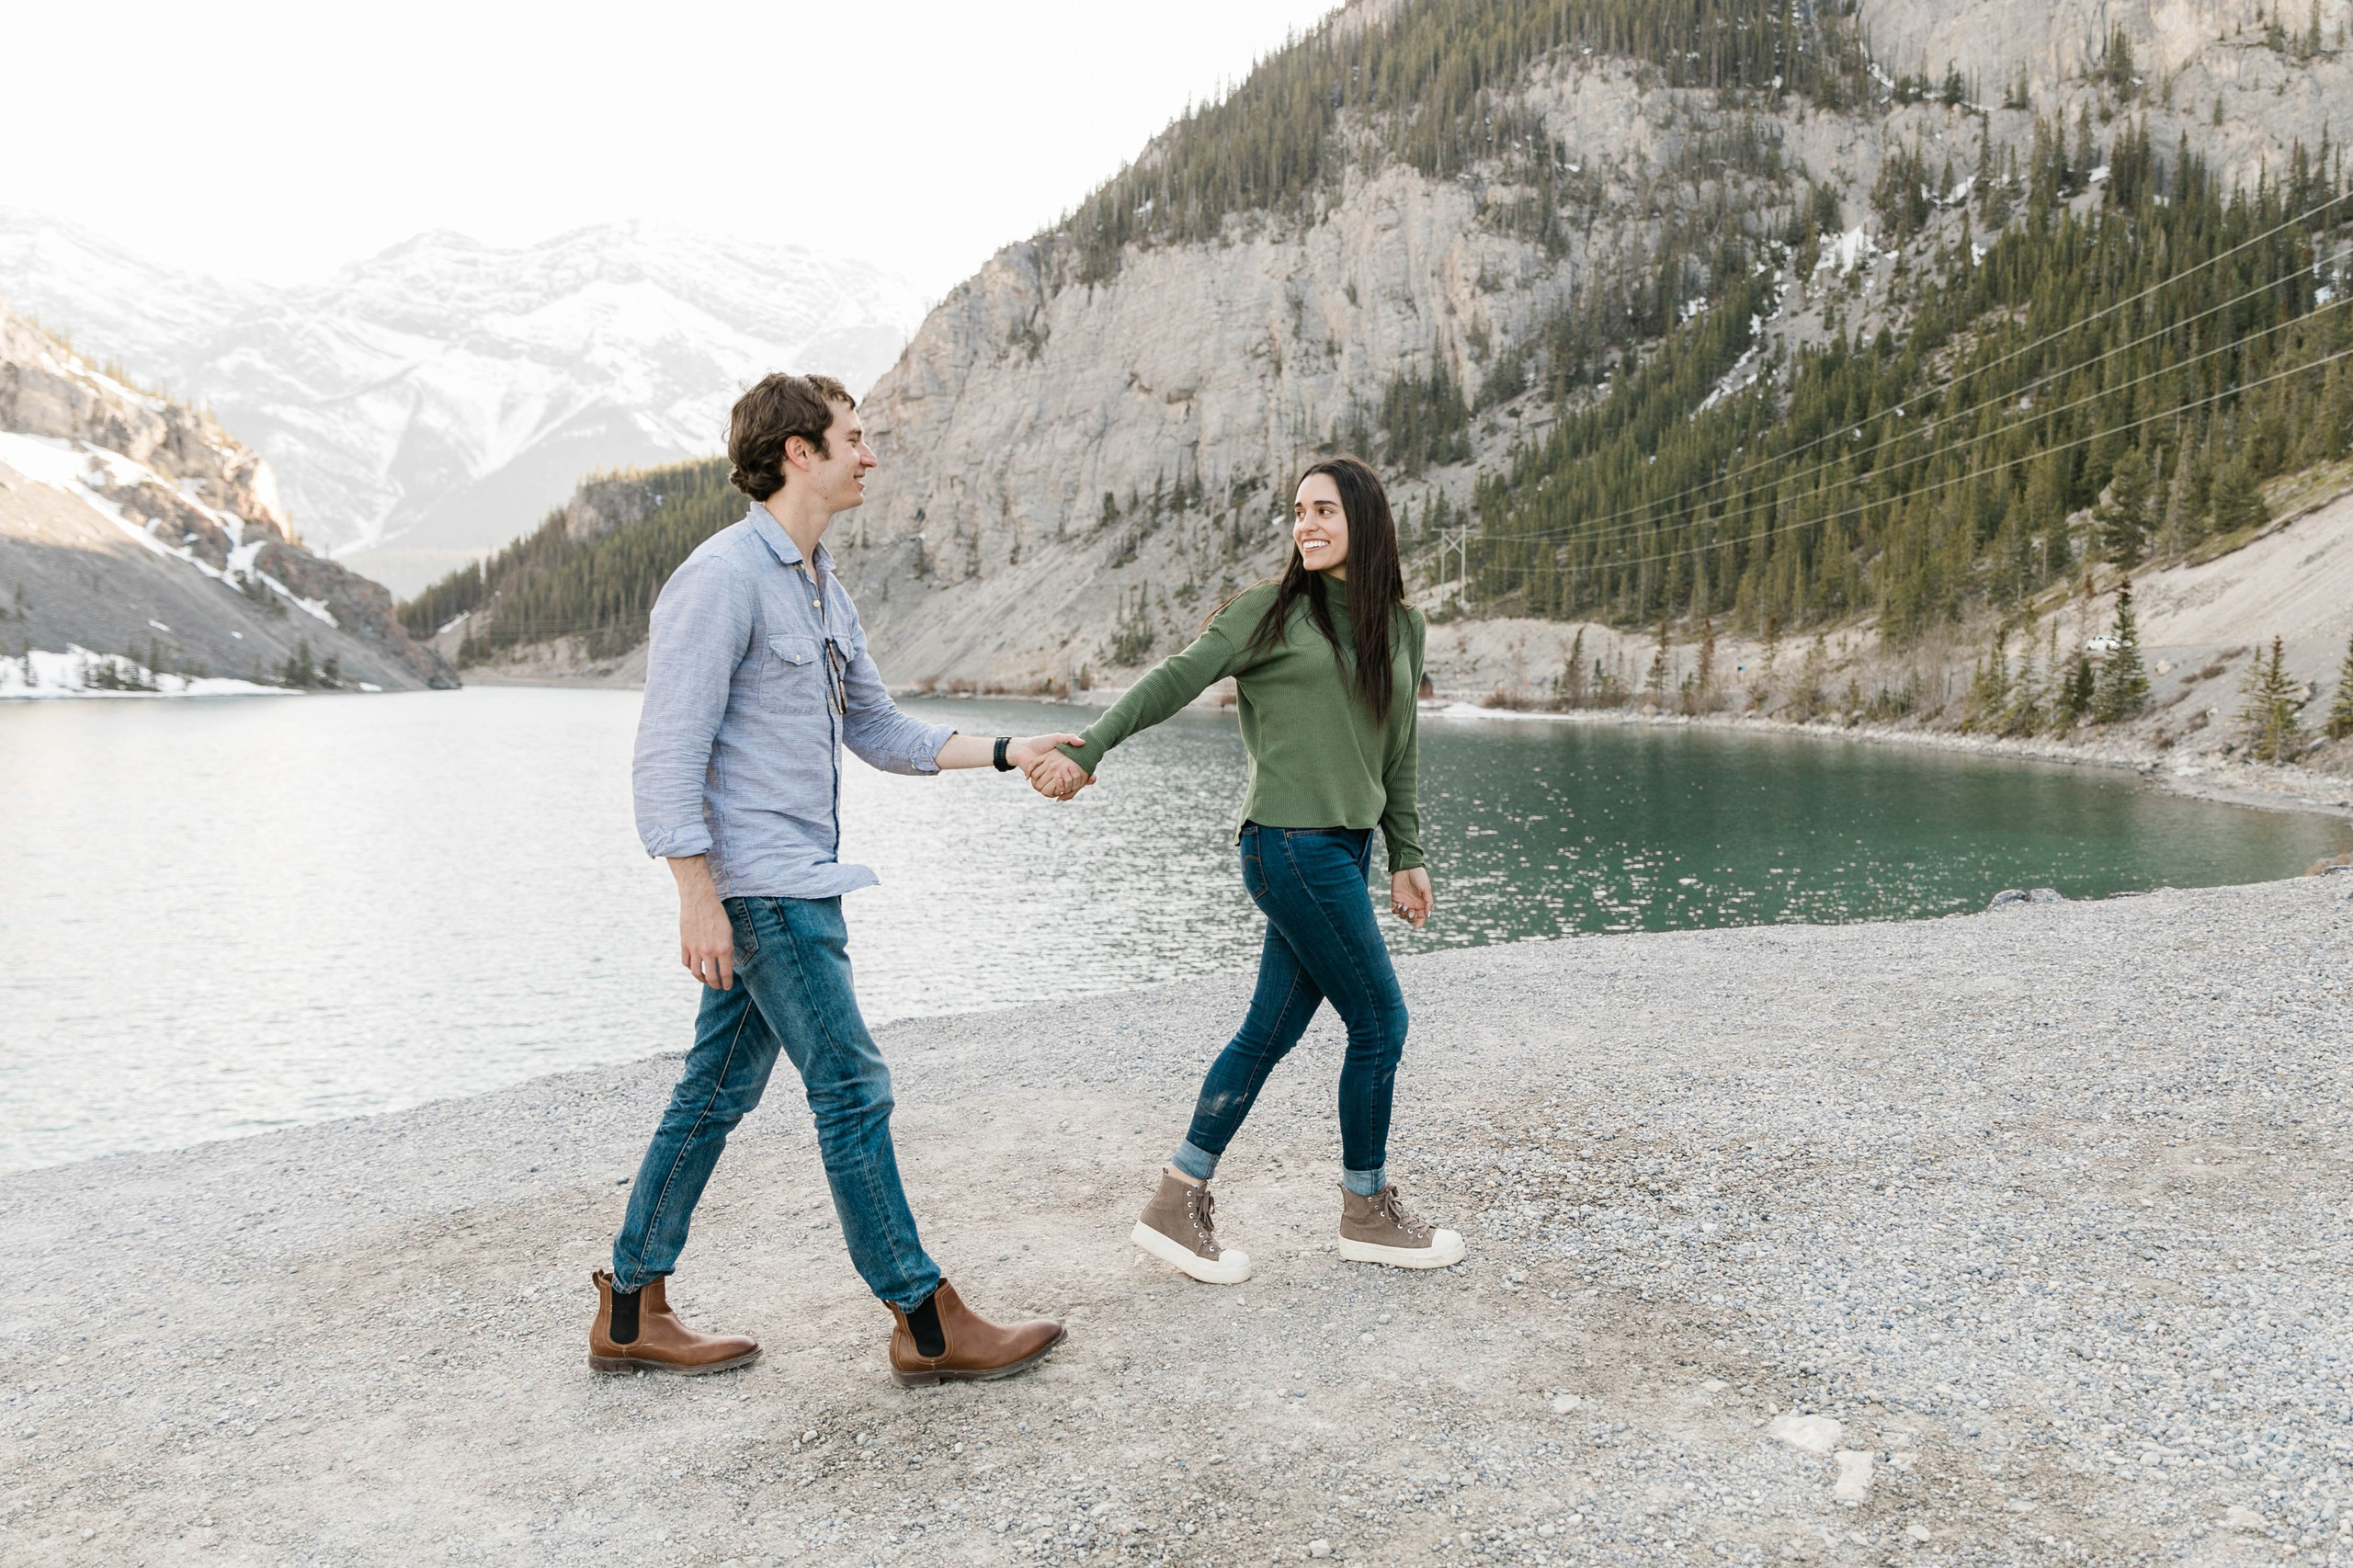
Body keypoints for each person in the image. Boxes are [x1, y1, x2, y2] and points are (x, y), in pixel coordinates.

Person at [593, 371, 1076, 1385]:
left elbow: (878, 729)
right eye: (854, 438)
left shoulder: (822, 586)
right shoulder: (722, 577)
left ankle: (632, 1305)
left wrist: (1004, 747)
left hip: (791, 877)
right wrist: (696, 896)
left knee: (715, 1090)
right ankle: (924, 1319)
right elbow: (665, 749)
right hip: (760, 888)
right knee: (851, 1085)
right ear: (798, 452)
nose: (870, 455)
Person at [1028, 455, 1464, 1284]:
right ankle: (1365, 1210)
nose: (1305, 525)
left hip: (1343, 849)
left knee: (1269, 1031)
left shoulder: (1400, 628)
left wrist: (1408, 855)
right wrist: (1089, 750)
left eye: (1324, 511)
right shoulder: (1266, 613)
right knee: (1380, 1022)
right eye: (1298, 512)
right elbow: (1172, 681)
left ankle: (1175, 1201)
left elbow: (1398, 750)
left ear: (1364, 523)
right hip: (1288, 846)